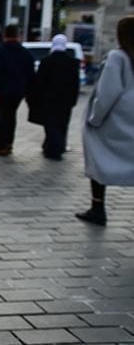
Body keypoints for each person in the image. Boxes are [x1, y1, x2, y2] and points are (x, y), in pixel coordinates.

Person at [76, 17, 134, 226]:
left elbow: (108, 91)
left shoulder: (118, 57)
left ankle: (97, 207)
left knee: (99, 160)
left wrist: (94, 118)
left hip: (115, 121)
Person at [28, 34, 79, 160]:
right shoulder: (73, 63)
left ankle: (53, 148)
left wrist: (34, 98)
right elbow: (75, 84)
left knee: (50, 124)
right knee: (62, 124)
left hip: (48, 99)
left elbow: (39, 82)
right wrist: (73, 100)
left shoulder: (46, 62)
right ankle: (58, 146)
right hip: (66, 100)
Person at [0, 24, 35, 156]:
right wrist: (28, 92)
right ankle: (9, 143)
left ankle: (2, 145)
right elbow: (30, 75)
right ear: (17, 36)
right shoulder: (26, 53)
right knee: (11, 116)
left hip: (2, 91)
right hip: (18, 92)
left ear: (5, 35)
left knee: (1, 118)